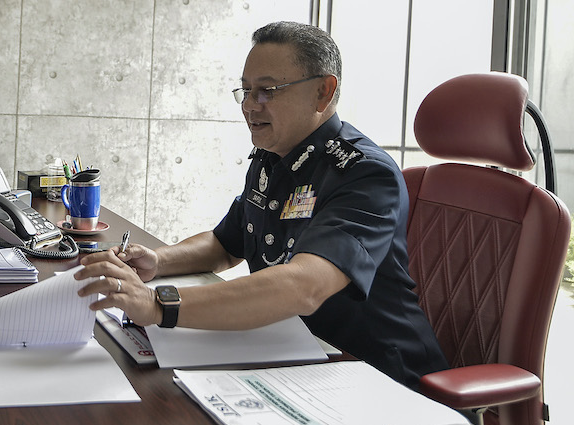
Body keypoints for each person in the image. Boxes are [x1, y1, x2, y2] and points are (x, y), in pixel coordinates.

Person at [75, 20, 448, 388]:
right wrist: (159, 261)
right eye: (246, 90)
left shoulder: (364, 173)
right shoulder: (274, 156)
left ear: (322, 91)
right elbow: (225, 244)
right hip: (293, 355)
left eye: (267, 91)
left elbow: (305, 285)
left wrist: (160, 305)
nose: (250, 107)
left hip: (373, 376)